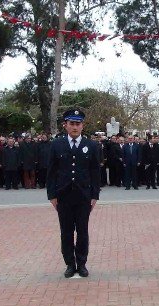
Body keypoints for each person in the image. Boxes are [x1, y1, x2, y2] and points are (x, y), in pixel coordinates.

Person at [47, 109, 100, 279]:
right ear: (66, 125)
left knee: (82, 231)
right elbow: (51, 172)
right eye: (72, 124)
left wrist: (94, 195)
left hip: (84, 196)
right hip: (63, 196)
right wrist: (52, 195)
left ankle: (82, 263)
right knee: (66, 232)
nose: (75, 127)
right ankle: (70, 264)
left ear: (82, 125)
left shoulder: (91, 145)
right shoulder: (57, 144)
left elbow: (95, 172)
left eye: (78, 124)